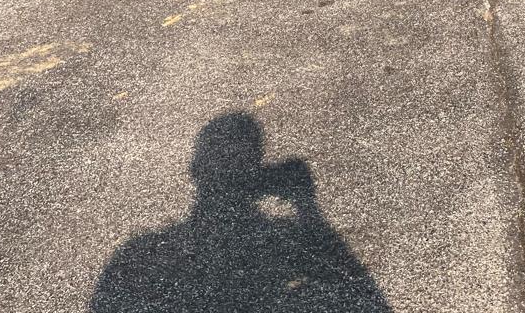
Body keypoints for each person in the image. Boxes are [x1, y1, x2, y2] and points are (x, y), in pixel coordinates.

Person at [90, 112, 390, 312]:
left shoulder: (134, 254)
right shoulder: (285, 235)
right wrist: (307, 207)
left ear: (195, 169)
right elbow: (357, 288)